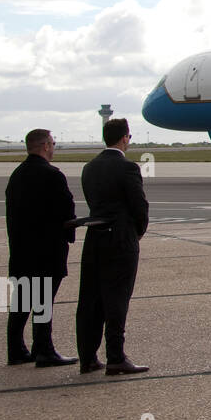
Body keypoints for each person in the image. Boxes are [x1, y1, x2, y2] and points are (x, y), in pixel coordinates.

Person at [76, 118, 150, 375]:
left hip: (94, 239)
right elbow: (140, 207)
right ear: (124, 138)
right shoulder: (127, 168)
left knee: (90, 300)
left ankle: (87, 357)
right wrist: (135, 233)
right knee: (117, 300)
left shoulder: (89, 167)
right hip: (120, 240)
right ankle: (116, 357)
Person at [5, 129, 78, 366]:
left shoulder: (17, 175)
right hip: (46, 252)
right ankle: (44, 349)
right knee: (43, 303)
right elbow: (66, 210)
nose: (54, 147)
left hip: (21, 252)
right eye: (53, 143)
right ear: (45, 146)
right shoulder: (52, 175)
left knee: (21, 303)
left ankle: (16, 349)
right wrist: (68, 234)